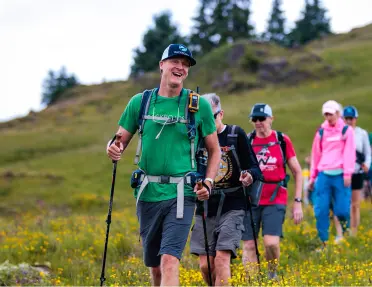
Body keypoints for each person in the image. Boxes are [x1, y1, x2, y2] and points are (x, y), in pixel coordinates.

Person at [106, 43, 221, 286]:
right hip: (148, 192)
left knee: (169, 259)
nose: (180, 67)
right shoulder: (140, 102)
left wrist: (208, 182)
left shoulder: (198, 106)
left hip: (182, 193)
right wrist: (113, 148)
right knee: (155, 265)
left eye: (186, 64)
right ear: (162, 65)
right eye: (175, 62)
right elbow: (119, 141)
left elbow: (214, 150)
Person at [190, 93, 262, 286]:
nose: (207, 122)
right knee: (206, 265)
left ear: (221, 113)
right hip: (205, 206)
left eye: (212, 116)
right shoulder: (196, 139)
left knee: (222, 258)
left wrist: (249, 176)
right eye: (202, 118)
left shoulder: (235, 134)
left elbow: (255, 168)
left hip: (233, 204)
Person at [241, 103, 303, 280]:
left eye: (262, 118)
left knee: (271, 243)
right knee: (249, 245)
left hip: (275, 197)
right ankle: (252, 281)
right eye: (254, 119)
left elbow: (297, 172)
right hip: (251, 198)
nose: (258, 122)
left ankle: (271, 274)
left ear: (271, 119)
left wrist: (298, 202)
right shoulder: (248, 140)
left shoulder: (282, 140)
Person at [308, 100, 356, 249]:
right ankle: (324, 242)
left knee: (342, 210)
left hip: (341, 175)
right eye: (326, 114)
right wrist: (312, 177)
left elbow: (349, 153)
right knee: (321, 210)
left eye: (331, 113)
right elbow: (316, 155)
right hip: (324, 174)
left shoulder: (346, 131)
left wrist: (348, 173)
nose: (329, 117)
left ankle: (344, 229)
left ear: (338, 113)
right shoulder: (321, 132)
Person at [333, 106, 371, 238]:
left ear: (356, 119)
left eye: (351, 118)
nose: (349, 121)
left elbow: (368, 153)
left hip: (357, 172)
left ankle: (353, 233)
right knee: (340, 204)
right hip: (342, 173)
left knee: (355, 204)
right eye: (346, 118)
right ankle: (340, 233)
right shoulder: (338, 133)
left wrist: (366, 164)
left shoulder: (362, 134)